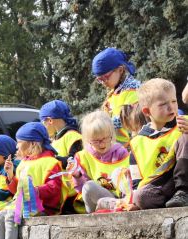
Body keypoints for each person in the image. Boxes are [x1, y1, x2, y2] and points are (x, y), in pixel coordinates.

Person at [128, 79, 185, 209]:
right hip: (162, 188)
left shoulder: (184, 124)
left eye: (174, 101)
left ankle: (183, 193)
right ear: (147, 112)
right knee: (141, 196)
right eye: (163, 104)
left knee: (185, 137)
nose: (171, 107)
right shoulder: (137, 143)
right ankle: (171, 202)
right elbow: (136, 181)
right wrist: (136, 203)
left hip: (184, 181)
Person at [67, 111, 130, 213]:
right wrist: (77, 176)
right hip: (97, 202)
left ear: (111, 134)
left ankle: (116, 205)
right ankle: (108, 206)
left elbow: (129, 183)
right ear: (88, 140)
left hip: (120, 199)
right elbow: (82, 191)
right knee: (89, 187)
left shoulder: (121, 152)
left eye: (105, 138)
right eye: (96, 141)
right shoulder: (83, 157)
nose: (101, 144)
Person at [92, 47, 141, 146]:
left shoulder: (134, 90)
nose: (103, 82)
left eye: (105, 77)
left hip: (132, 147)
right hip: (116, 146)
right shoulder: (114, 92)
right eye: (99, 79)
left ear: (120, 70)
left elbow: (129, 118)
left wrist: (103, 123)